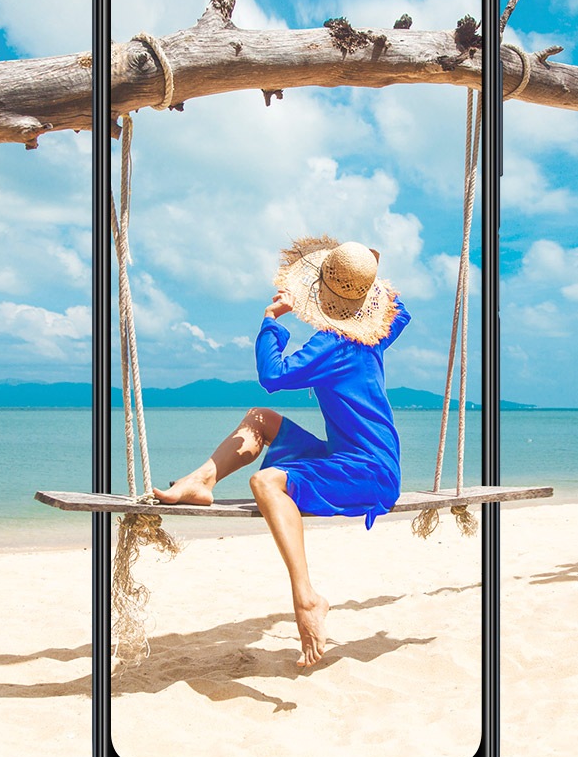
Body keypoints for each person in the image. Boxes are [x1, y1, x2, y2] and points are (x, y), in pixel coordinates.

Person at [154, 236, 411, 668]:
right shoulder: (375, 335)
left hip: (369, 472)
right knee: (261, 418)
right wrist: (366, 271)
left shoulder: (331, 344)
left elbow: (273, 374)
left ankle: (307, 597)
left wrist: (273, 318)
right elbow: (397, 309)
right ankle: (203, 480)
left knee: (265, 481)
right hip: (355, 457)